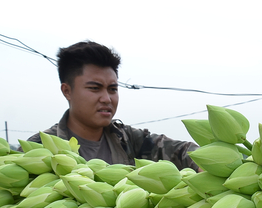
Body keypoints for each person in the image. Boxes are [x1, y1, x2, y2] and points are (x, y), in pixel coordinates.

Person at [26, 41, 199, 170]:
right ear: (67, 91)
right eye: (95, 88)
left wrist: (203, 164)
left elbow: (182, 151)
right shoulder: (40, 147)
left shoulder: (127, 139)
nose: (107, 98)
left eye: (112, 89)